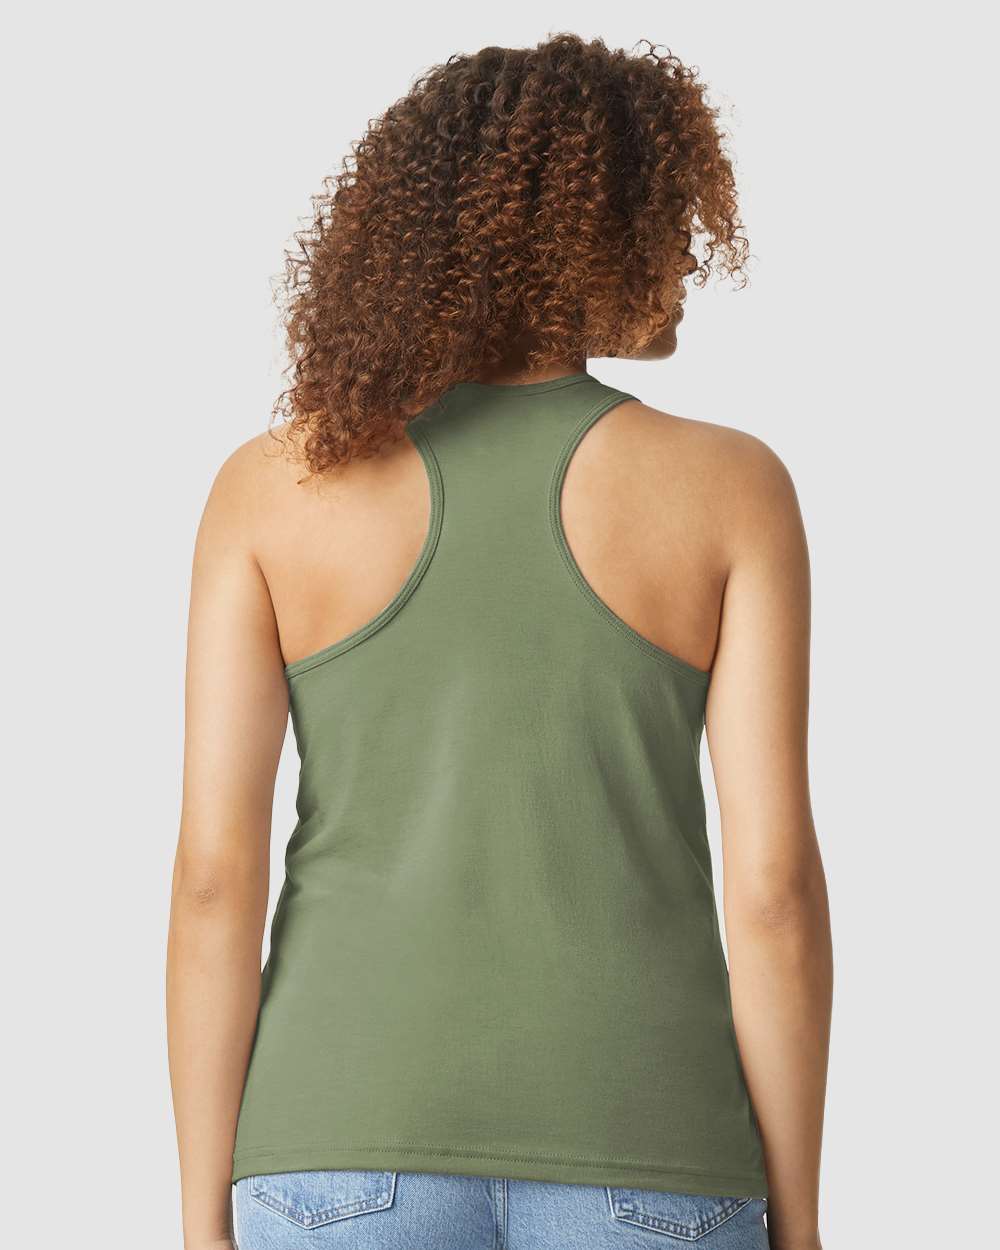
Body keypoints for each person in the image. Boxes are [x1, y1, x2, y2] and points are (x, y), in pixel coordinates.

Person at [166, 32, 832, 1250]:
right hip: (652, 1151)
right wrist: (798, 1218)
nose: (688, 253)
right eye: (663, 216)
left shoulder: (273, 487)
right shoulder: (731, 489)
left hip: (332, 1154)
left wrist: (202, 1217)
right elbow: (774, 893)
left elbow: (216, 878)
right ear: (582, 232)